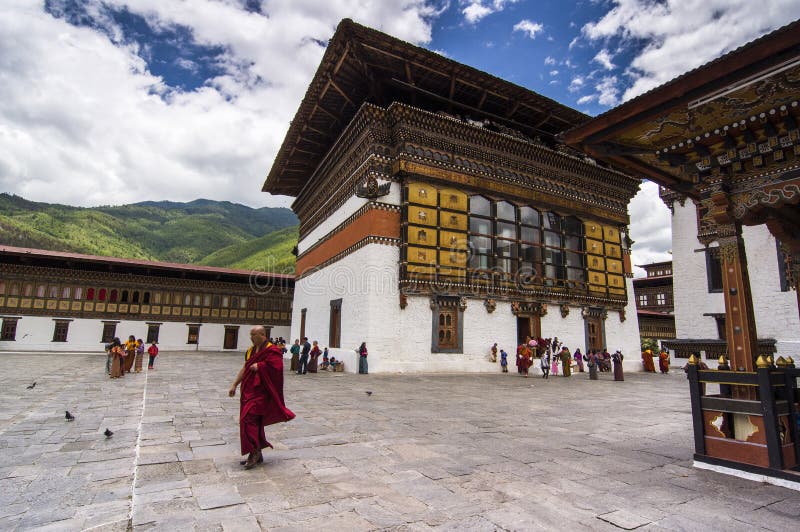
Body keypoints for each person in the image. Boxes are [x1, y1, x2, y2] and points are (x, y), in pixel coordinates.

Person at [229, 326, 295, 469]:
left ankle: (254, 451)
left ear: (263, 334)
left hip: (262, 392)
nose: (251, 337)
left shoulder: (272, 350)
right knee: (254, 421)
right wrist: (234, 384)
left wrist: (261, 366)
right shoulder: (250, 351)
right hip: (248, 391)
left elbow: (277, 368)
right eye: (250, 335)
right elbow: (245, 368)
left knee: (248, 418)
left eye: (254, 335)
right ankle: (257, 452)